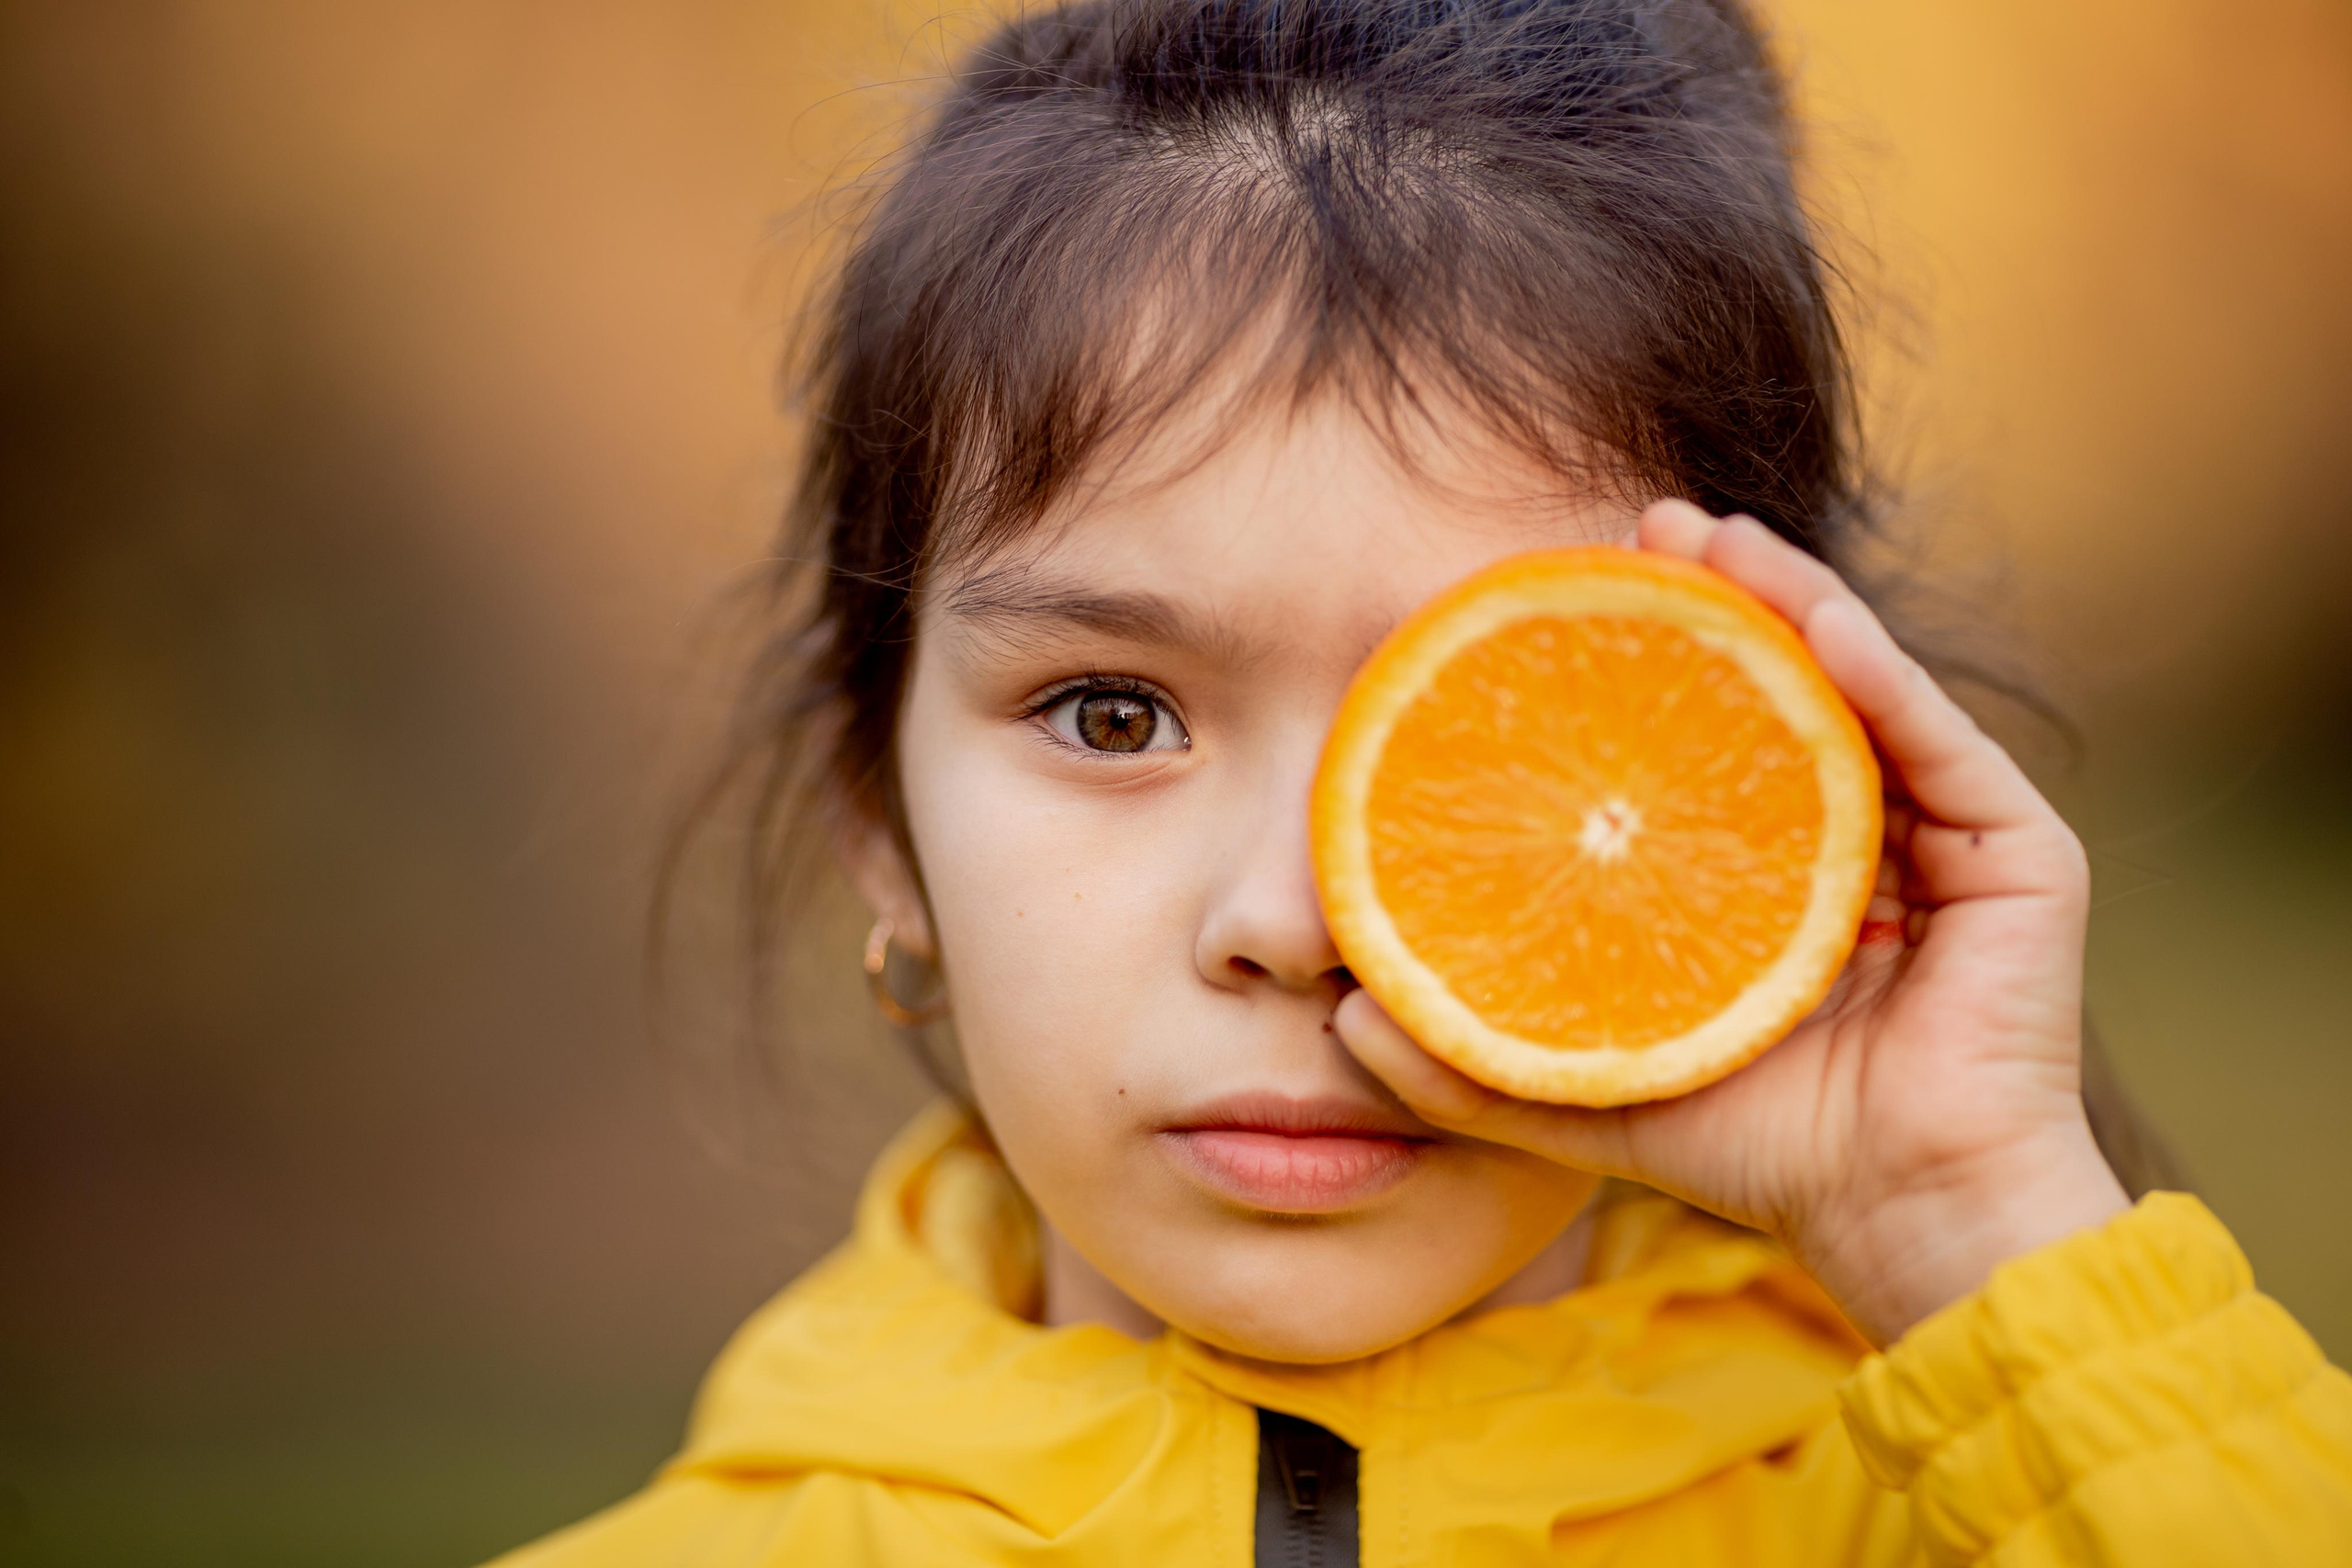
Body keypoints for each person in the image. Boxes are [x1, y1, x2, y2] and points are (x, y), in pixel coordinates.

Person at [494, 1, 2352, 1562]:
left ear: (1763, 786)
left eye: (1493, 736)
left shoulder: (1986, 1511)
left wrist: (1973, 1228)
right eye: (1112, 714)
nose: (1295, 922)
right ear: (876, 810)